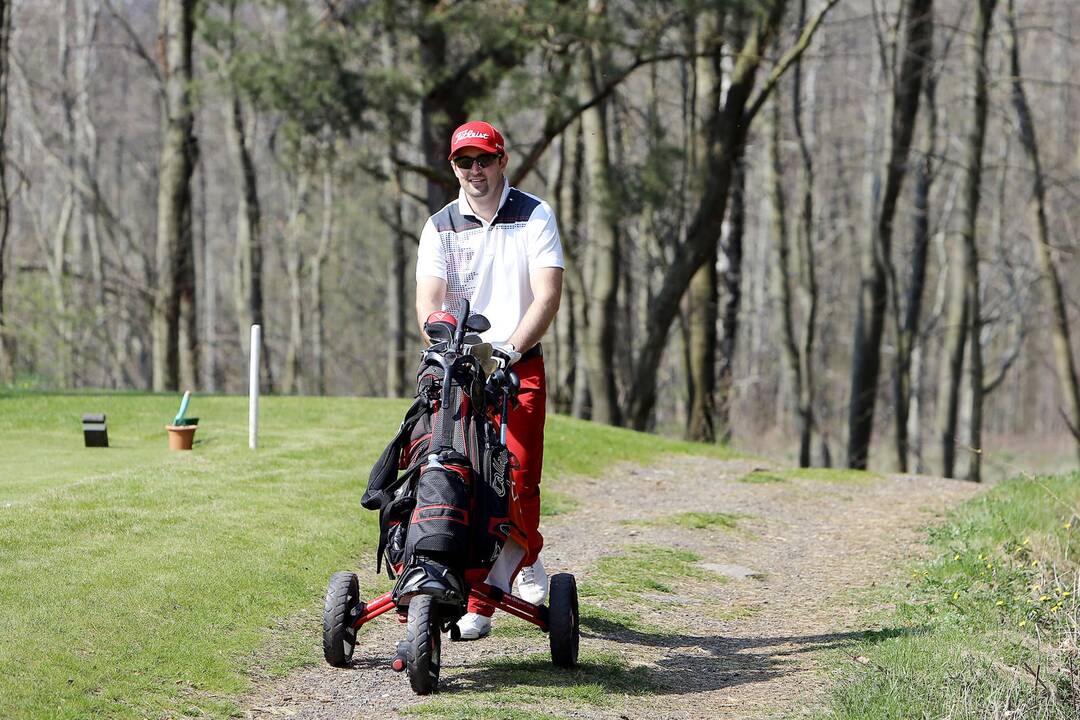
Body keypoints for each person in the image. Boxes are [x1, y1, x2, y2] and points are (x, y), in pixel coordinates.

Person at [415, 120, 564, 640]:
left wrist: (511, 348)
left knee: (518, 477)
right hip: (459, 367)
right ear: (453, 167)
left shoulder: (533, 215)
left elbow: (547, 294)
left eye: (484, 160)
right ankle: (473, 587)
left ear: (502, 161)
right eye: (464, 162)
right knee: (456, 472)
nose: (474, 171)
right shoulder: (439, 226)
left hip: (516, 363)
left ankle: (515, 567)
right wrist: (441, 346)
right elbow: (428, 299)